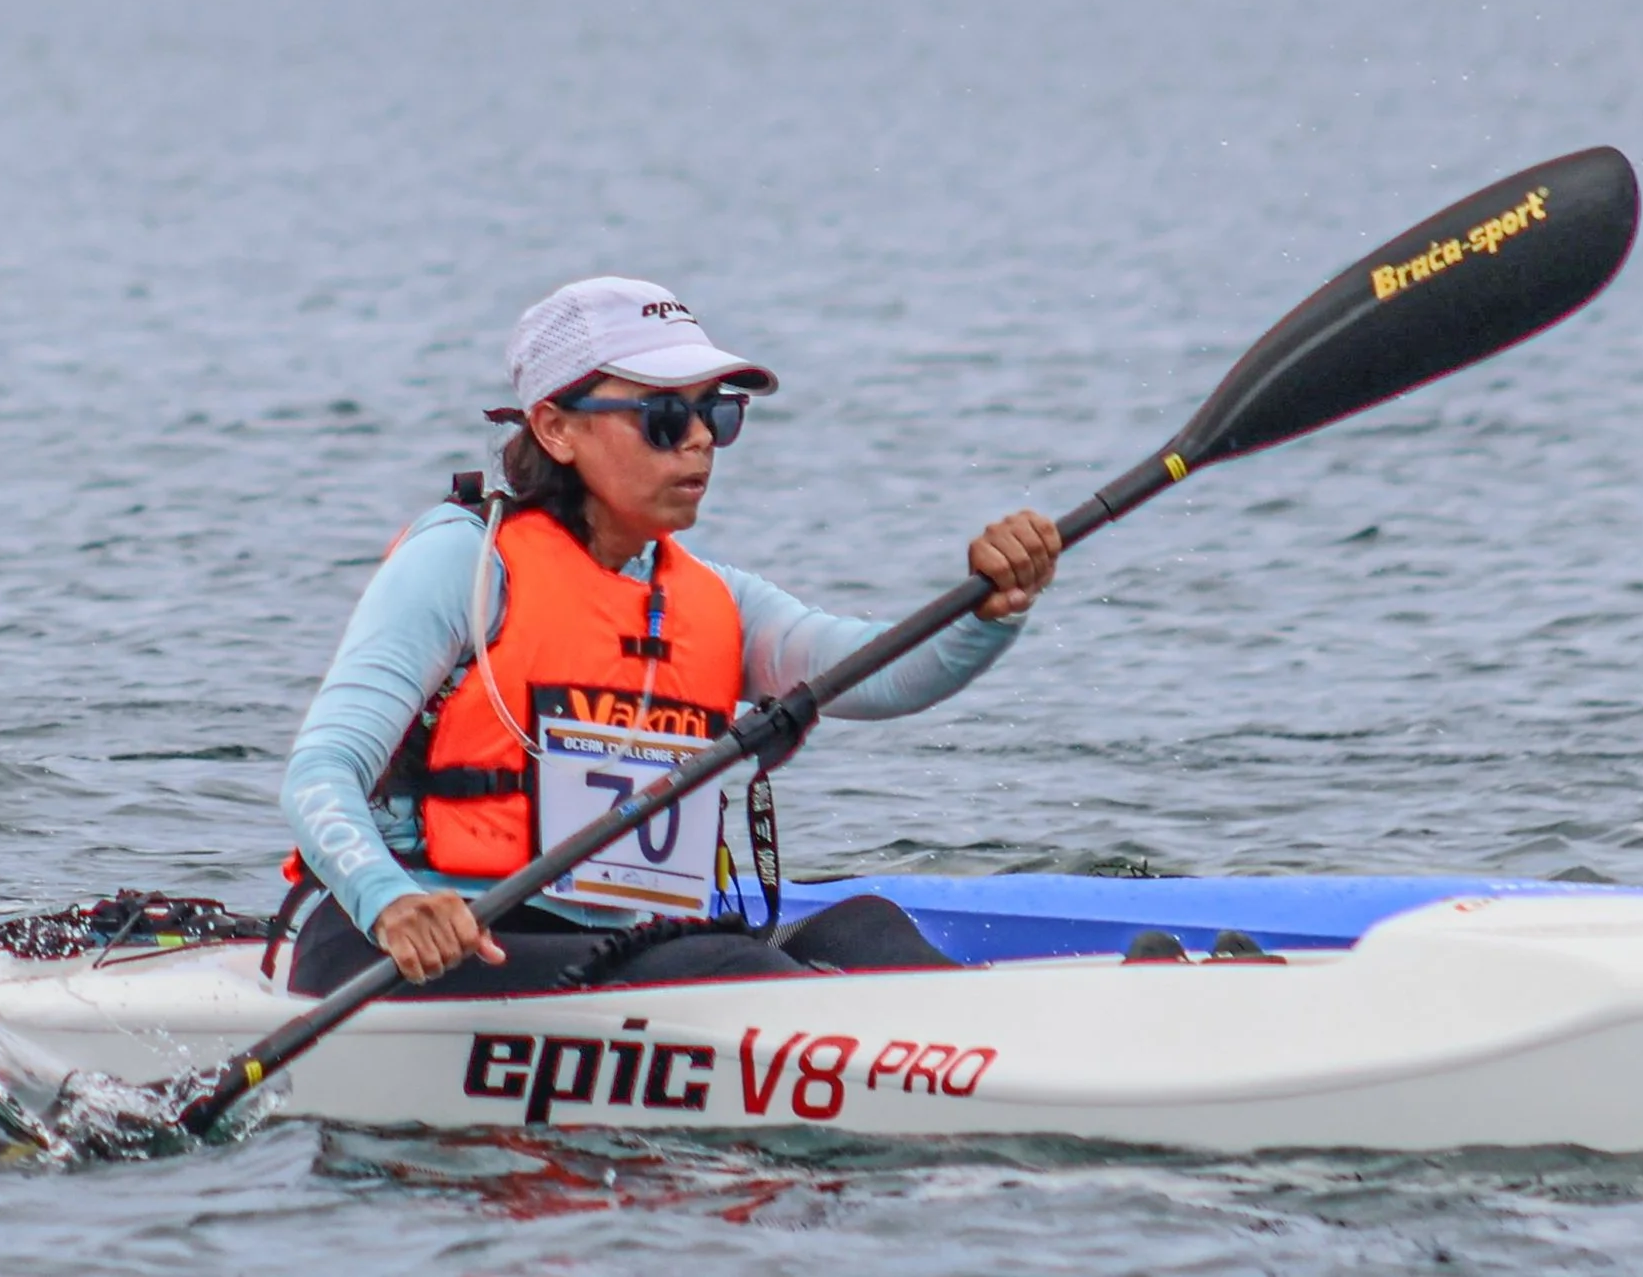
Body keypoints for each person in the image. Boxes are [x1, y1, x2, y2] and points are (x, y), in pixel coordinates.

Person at [273, 276, 1061, 998]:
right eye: (663, 417)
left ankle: (1007, 1039)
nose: (700, 439)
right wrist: (391, 901)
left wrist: (991, 608)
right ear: (555, 427)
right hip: (412, 952)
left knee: (868, 927)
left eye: (716, 413)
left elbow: (884, 674)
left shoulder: (714, 598)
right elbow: (320, 771)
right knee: (731, 970)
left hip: (622, 952)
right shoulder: (464, 564)